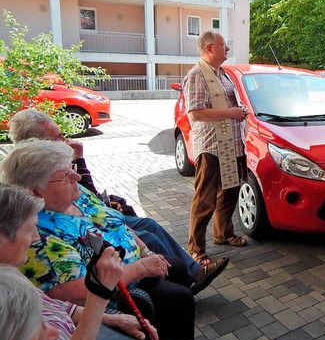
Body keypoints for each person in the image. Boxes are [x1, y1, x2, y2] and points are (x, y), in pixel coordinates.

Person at [7, 108, 228, 296]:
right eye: (56, 138)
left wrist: (106, 202)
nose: (64, 140)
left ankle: (187, 274)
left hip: (103, 218)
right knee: (149, 234)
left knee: (149, 226)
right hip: (103, 244)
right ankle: (182, 279)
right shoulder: (40, 182)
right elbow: (76, 213)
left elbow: (86, 194)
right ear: (36, 143)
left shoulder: (58, 171)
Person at [0, 139, 196, 340]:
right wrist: (141, 268)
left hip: (133, 266)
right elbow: (79, 294)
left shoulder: (76, 195)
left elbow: (116, 223)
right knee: (179, 298)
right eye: (65, 175)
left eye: (72, 168)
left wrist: (145, 250)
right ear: (36, 192)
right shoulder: (37, 234)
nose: (76, 176)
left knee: (178, 267)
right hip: (117, 291)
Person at [0, 183, 202, 340]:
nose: (34, 236)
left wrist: (112, 320)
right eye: (28, 229)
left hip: (89, 329)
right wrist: (101, 292)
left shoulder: (9, 274)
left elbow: (60, 307)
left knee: (171, 265)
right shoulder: (33, 255)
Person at [183, 30, 250, 266]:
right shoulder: (197, 75)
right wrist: (231, 113)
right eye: (224, 45)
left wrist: (239, 112)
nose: (227, 49)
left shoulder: (222, 74)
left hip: (231, 144)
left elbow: (230, 103)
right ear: (210, 47)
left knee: (230, 191)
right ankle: (195, 249)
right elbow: (196, 112)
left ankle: (223, 233)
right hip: (211, 146)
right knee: (205, 199)